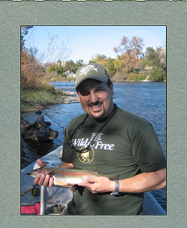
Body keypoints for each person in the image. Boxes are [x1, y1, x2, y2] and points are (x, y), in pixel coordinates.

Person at [34, 63, 166, 215]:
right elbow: (69, 164)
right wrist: (52, 173)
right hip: (75, 213)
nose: (93, 99)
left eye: (99, 90)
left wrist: (113, 185)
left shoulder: (137, 127)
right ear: (78, 96)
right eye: (85, 93)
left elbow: (162, 177)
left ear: (111, 88)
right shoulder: (74, 126)